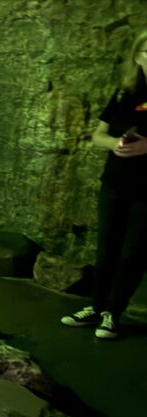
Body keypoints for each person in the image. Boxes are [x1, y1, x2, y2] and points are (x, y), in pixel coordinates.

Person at [61, 31, 147, 340]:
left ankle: (113, 313)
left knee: (132, 254)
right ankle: (96, 307)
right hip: (115, 183)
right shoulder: (125, 94)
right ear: (137, 58)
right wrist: (115, 144)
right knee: (106, 250)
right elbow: (98, 135)